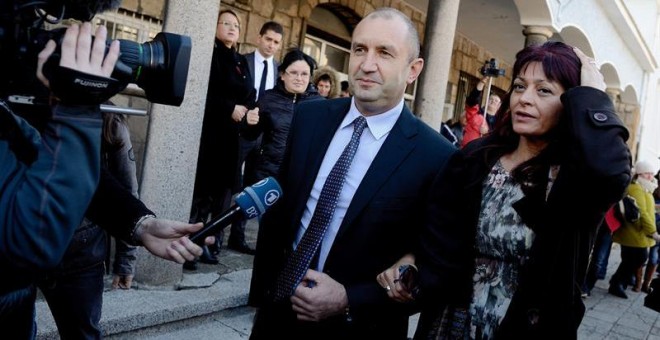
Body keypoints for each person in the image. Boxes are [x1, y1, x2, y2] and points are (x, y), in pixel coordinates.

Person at [383, 41, 632, 339]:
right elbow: (435, 226)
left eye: (544, 90)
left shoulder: (575, 178)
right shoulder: (476, 159)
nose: (524, 99)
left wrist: (593, 98)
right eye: (518, 86)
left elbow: (611, 172)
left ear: (571, 104)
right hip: (451, 324)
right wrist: (412, 256)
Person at [247, 8, 467, 339]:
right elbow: (281, 213)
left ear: (413, 69)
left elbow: (435, 268)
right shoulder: (309, 117)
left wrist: (350, 299)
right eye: (359, 49)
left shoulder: (436, 157)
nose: (366, 64)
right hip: (277, 316)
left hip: (361, 328)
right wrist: (263, 296)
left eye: (385, 53)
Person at [0, 22, 210, 339]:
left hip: (79, 256)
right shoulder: (38, 103)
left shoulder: (18, 115)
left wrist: (140, 224)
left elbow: (71, 170)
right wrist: (75, 109)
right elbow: (31, 236)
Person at [187, 9, 257, 268]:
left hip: (232, 138)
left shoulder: (240, 60)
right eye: (225, 23)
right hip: (210, 135)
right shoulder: (210, 55)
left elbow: (250, 93)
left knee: (222, 196)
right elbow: (201, 91)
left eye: (235, 25)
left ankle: (207, 243)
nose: (231, 28)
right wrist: (230, 108)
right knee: (201, 194)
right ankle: (190, 245)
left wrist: (250, 110)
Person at [229, 21, 285, 255]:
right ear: (259, 37)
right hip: (239, 132)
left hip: (263, 138)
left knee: (253, 187)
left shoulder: (280, 70)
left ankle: (237, 237)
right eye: (268, 39)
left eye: (276, 42)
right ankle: (211, 237)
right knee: (228, 184)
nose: (271, 45)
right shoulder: (242, 61)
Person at [243, 48, 323, 181]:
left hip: (301, 177)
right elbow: (249, 135)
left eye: (304, 74)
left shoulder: (320, 105)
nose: (299, 78)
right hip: (267, 174)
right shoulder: (268, 99)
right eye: (293, 73)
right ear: (282, 74)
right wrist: (249, 123)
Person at [609, 160, 659, 299]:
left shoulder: (645, 187)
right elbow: (642, 213)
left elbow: (648, 210)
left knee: (631, 259)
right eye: (647, 173)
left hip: (638, 232)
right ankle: (617, 282)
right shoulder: (636, 188)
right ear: (639, 174)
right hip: (634, 231)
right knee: (637, 258)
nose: (651, 176)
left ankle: (619, 281)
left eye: (651, 173)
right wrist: (653, 232)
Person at [460, 77, 491, 148]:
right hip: (467, 149)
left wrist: (488, 131)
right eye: (491, 99)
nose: (493, 101)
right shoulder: (477, 113)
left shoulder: (499, 120)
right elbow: (472, 100)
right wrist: (481, 83)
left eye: (496, 101)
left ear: (499, 105)